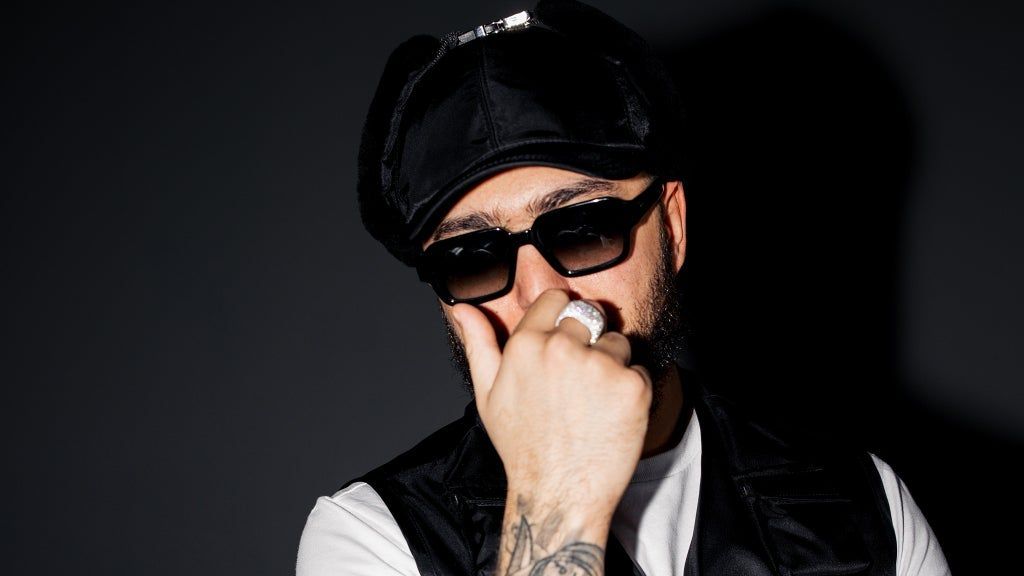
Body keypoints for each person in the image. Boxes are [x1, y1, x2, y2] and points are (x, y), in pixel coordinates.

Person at [297, 1, 950, 574]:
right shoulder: (374, 536)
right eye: (473, 258)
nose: (540, 294)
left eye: (582, 229)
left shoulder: (866, 510)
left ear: (673, 226)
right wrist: (554, 496)